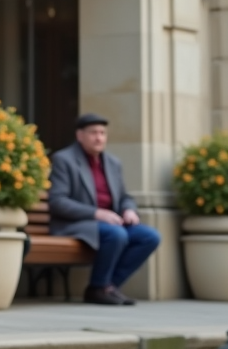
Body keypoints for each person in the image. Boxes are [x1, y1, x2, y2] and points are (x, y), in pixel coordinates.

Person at [47, 113, 160, 305]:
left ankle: (106, 287)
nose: (99, 138)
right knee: (116, 234)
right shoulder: (64, 159)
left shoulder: (113, 163)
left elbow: (124, 197)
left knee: (149, 236)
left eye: (102, 133)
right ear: (80, 135)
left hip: (111, 223)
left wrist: (129, 210)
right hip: (75, 224)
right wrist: (96, 213)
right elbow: (58, 202)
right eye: (93, 133)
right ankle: (99, 286)